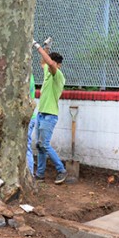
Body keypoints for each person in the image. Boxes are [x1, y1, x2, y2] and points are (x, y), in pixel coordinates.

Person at [33, 40, 67, 184]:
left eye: (51, 63)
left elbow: (50, 64)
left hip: (50, 116)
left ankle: (61, 170)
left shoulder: (58, 75)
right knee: (39, 145)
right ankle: (40, 175)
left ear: (58, 65)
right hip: (41, 114)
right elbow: (44, 62)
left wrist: (37, 46)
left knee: (44, 144)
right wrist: (47, 48)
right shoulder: (48, 71)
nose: (47, 65)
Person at [26, 72, 38, 178]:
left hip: (28, 117)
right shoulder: (29, 75)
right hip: (30, 116)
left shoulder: (26, 77)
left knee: (26, 147)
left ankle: (30, 174)